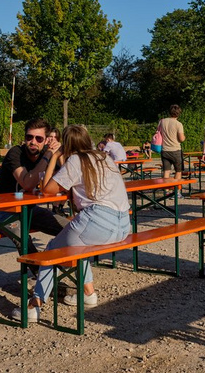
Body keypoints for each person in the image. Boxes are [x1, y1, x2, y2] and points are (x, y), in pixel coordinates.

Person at [16, 125, 131, 322]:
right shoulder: (104, 157)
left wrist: (54, 156)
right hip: (123, 225)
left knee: (51, 251)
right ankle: (88, 294)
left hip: (99, 221)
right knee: (79, 245)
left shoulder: (77, 160)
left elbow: (47, 189)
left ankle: (34, 306)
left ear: (67, 144)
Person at [0, 118, 65, 255]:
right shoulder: (15, 153)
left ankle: (65, 265)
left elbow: (65, 178)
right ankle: (39, 273)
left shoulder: (45, 156)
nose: (33, 142)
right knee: (22, 236)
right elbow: (27, 183)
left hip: (29, 210)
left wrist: (59, 153)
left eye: (39, 139)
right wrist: (48, 154)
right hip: (2, 211)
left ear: (46, 140)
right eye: (29, 137)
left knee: (68, 228)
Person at [158, 105, 186, 190]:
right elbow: (181, 139)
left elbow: (158, 133)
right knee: (178, 171)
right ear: (178, 113)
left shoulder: (162, 122)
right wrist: (184, 137)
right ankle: (176, 191)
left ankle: (166, 189)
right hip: (175, 150)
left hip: (164, 150)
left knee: (166, 171)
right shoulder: (178, 124)